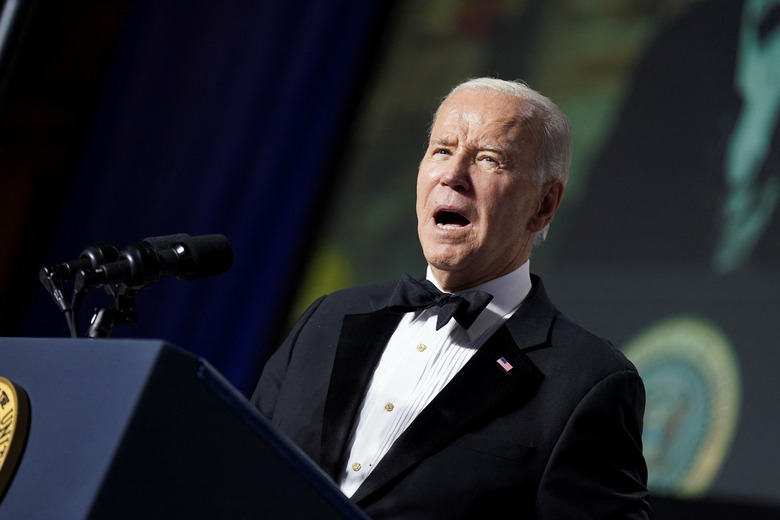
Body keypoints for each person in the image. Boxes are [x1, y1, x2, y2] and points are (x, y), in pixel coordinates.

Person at [251, 77, 649, 519]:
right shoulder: (329, 316)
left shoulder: (587, 382)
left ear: (544, 204)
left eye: (488, 159)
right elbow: (236, 468)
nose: (452, 176)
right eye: (442, 150)